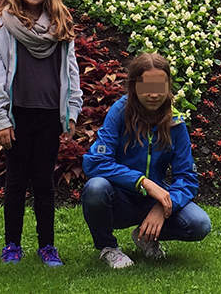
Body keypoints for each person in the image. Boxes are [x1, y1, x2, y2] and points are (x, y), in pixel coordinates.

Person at [0, 0, 83, 266]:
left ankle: (47, 246)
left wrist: (72, 111)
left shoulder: (60, 26)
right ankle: (12, 244)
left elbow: (71, 71)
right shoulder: (2, 27)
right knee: (16, 180)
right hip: (17, 116)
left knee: (44, 181)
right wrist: (0, 118)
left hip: (48, 115)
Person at [81, 52, 211, 269]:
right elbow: (94, 162)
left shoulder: (176, 122)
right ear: (134, 87)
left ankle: (145, 236)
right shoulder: (119, 112)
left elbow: (187, 178)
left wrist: (163, 207)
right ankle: (108, 248)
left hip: (154, 200)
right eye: (146, 86)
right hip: (119, 199)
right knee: (95, 188)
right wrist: (143, 182)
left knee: (200, 224)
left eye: (159, 86)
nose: (153, 94)